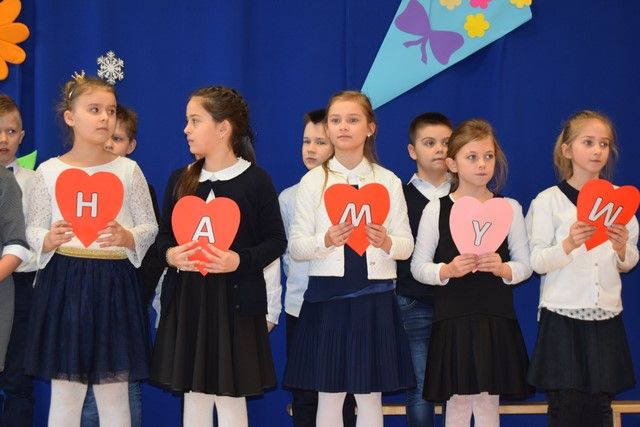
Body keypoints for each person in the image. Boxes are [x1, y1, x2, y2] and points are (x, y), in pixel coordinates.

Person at [23, 73, 158, 427]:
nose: (104, 118)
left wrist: (128, 237)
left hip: (114, 286)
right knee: (65, 392)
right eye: (94, 110)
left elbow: (149, 225)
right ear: (70, 117)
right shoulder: (49, 171)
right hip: (64, 284)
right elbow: (33, 228)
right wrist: (46, 239)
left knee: (114, 392)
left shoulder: (128, 170)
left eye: (110, 111)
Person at [150, 85, 286, 427]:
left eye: (195, 121)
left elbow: (275, 241)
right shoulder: (180, 179)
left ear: (223, 128)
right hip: (188, 302)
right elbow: (163, 237)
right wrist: (171, 255)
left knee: (230, 396)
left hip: (236, 304)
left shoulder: (256, 181)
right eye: (187, 121)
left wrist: (239, 261)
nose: (186, 129)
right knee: (193, 393)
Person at [283, 90, 415, 427]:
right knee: (329, 394)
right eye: (336, 120)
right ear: (327, 128)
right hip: (327, 299)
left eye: (353, 120)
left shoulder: (388, 181)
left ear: (370, 127)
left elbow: (406, 247)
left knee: (370, 396)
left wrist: (386, 242)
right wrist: (325, 240)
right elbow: (296, 247)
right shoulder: (312, 182)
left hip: (375, 300)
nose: (344, 127)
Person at [411, 119, 532, 427]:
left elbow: (525, 264)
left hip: (495, 317)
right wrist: (447, 270)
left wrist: (504, 268)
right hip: (454, 318)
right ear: (452, 163)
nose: (482, 165)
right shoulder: (436, 208)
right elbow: (418, 266)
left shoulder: (509, 207)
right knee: (458, 401)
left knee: (489, 401)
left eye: (488, 156)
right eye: (472, 157)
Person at [525, 110, 638, 427]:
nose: (597, 150)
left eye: (604, 144)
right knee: (566, 404)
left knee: (601, 404)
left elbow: (630, 259)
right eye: (588, 142)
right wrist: (568, 244)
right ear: (567, 149)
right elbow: (537, 261)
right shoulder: (548, 201)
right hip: (562, 315)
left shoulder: (619, 201)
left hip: (605, 315)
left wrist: (621, 248)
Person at [80, 105, 158, 427]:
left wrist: (137, 293)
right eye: (106, 137)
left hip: (125, 300)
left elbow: (152, 247)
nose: (110, 144)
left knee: (125, 383)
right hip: (85, 299)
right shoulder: (79, 182)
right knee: (85, 384)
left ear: (131, 145)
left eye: (118, 138)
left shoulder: (137, 184)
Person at [280, 109, 356, 426]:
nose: (311, 149)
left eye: (320, 142)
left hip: (343, 305)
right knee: (305, 394)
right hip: (301, 306)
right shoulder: (288, 198)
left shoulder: (354, 194)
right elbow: (287, 256)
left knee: (344, 392)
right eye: (306, 141)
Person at [396, 112, 452, 427]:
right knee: (420, 389)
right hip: (413, 301)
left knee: (461, 387)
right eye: (429, 143)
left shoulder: (466, 196)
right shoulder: (399, 196)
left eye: (446, 142)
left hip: (459, 302)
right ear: (412, 150)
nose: (439, 149)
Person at [0, 94, 36, 427]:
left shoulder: (33, 181)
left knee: (17, 378)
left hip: (23, 286)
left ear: (21, 136)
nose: (3, 139)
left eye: (11, 132)